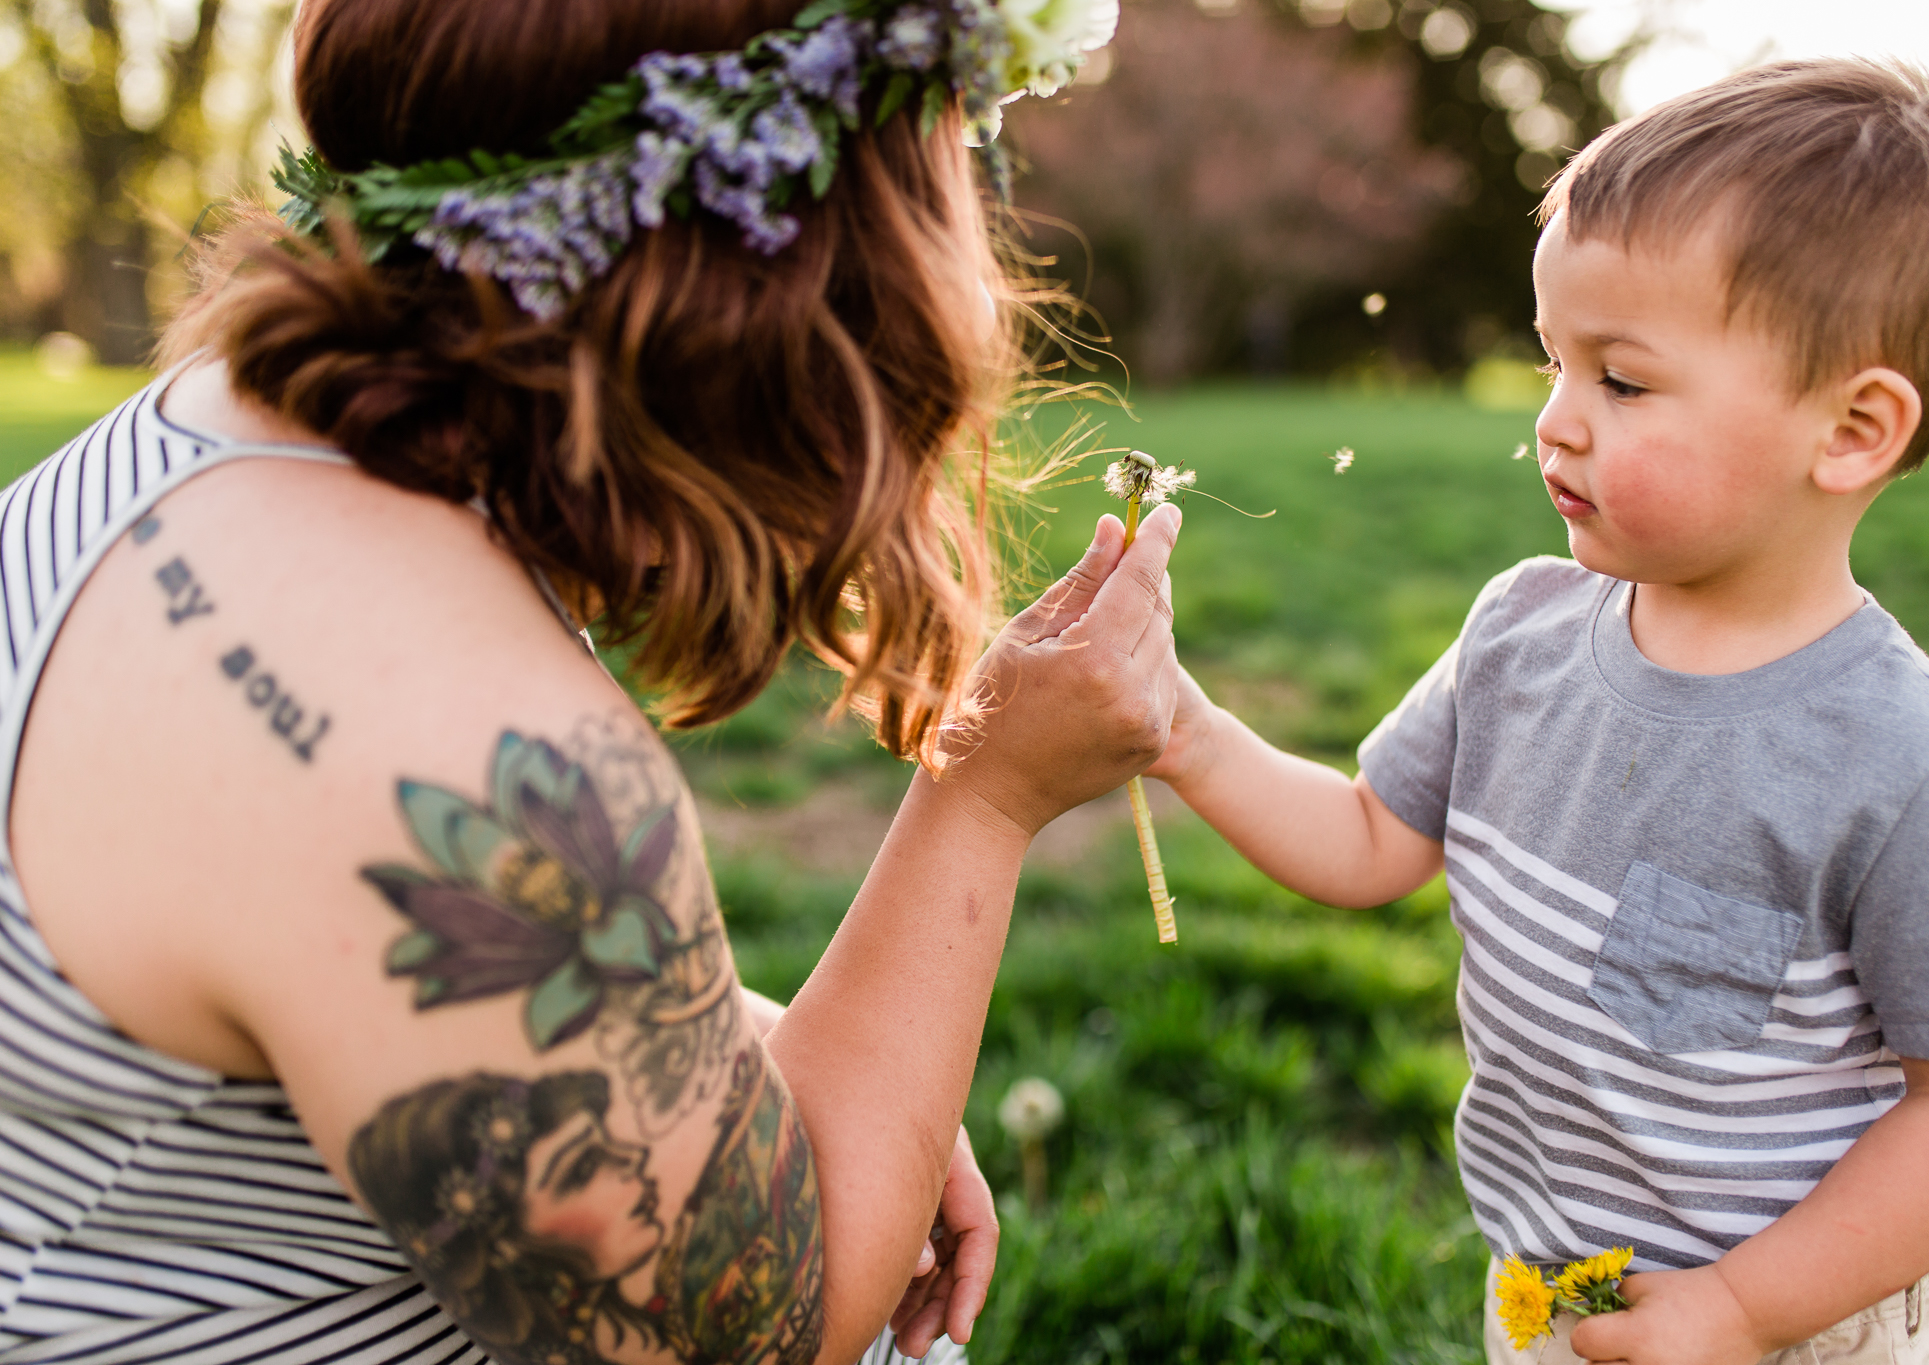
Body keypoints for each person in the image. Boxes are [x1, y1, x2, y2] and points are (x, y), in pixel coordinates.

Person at [0, 1, 1181, 1363]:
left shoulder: (221, 418)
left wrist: (781, 1070)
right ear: (790, 251)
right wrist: (987, 790)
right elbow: (766, 1338)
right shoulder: (450, 747)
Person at [1144, 58, 1929, 1365]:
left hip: (1788, 1327)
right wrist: (1181, 727)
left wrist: (1744, 1308)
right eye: (1551, 362)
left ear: (1852, 428)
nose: (1555, 423)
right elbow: (1363, 840)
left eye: (1621, 382)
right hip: (1549, 1291)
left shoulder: (1910, 767)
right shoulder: (1518, 632)